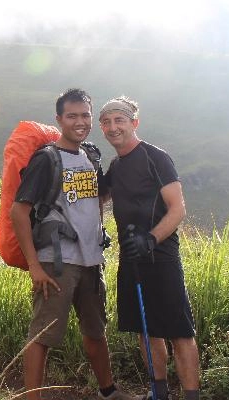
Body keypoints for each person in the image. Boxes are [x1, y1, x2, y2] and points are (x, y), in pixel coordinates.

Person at [10, 88, 135, 400]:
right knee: (42, 335)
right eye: (72, 116)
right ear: (59, 120)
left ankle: (108, 392)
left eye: (85, 115)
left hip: (92, 261)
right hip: (57, 263)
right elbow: (19, 211)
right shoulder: (47, 159)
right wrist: (35, 267)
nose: (80, 122)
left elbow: (100, 196)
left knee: (96, 330)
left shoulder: (91, 155)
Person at [99, 96, 201, 400]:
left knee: (179, 331)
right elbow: (96, 199)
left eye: (120, 120)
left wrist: (151, 239)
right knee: (146, 331)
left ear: (134, 123)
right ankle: (158, 394)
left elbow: (177, 208)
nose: (113, 127)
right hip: (131, 258)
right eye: (106, 122)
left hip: (162, 257)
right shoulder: (116, 166)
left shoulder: (155, 157)